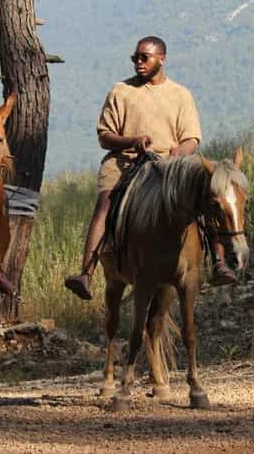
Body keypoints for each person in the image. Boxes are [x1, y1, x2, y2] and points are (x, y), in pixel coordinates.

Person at [64, 36, 237, 301]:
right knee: (105, 203)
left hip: (169, 165)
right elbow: (104, 136)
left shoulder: (180, 94)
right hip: (126, 160)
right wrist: (132, 141)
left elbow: (192, 138)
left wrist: (179, 152)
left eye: (145, 57)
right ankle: (86, 272)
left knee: (206, 194)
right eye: (136, 58)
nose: (138, 63)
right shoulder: (120, 91)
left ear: (162, 59)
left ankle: (218, 261)